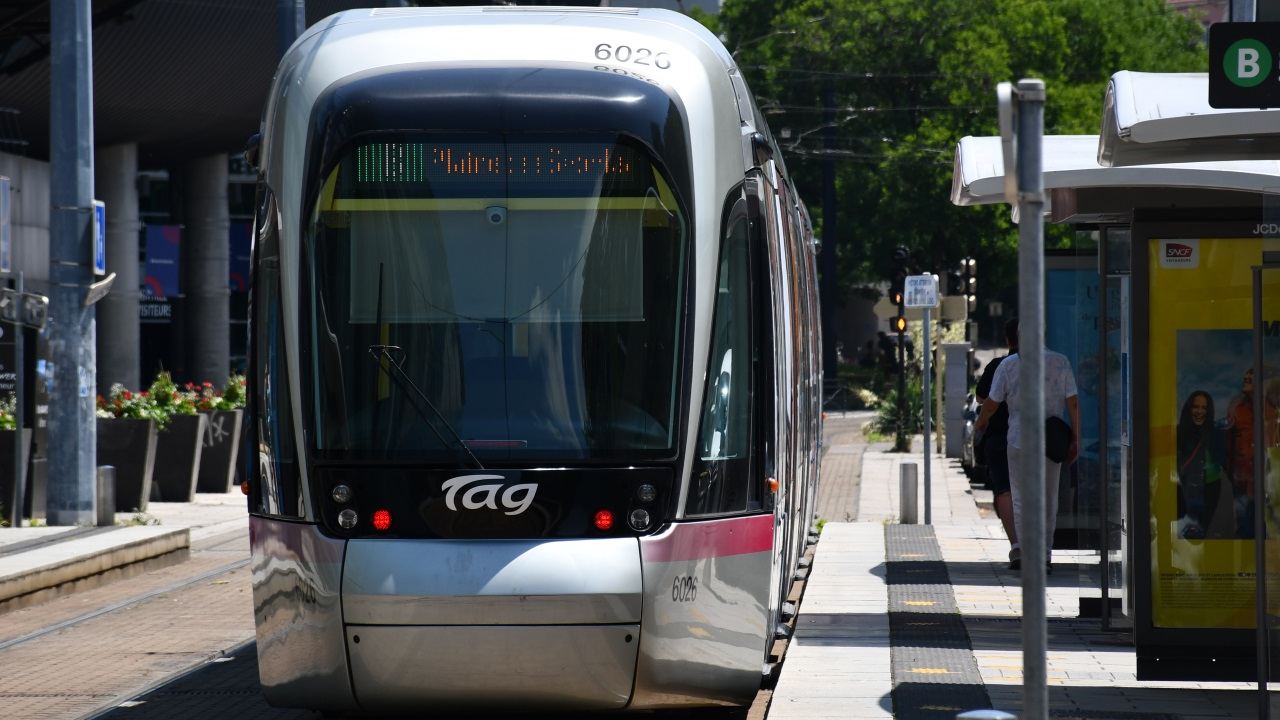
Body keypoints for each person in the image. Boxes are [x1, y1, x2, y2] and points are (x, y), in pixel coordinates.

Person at [976, 321, 1080, 574]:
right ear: (1043, 333)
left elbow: (991, 402)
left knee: (1021, 499)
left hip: (1019, 440)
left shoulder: (1008, 365)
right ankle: (1044, 555)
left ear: (1019, 335)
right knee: (1048, 499)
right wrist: (1076, 438)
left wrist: (982, 422)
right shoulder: (1060, 362)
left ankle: (1025, 550)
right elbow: (1073, 404)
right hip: (1051, 440)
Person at [976, 318, 1019, 568]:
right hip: (1034, 440)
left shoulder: (998, 365)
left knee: (1005, 490)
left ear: (1007, 339)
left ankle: (1016, 545)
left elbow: (983, 398)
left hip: (999, 438)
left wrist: (983, 421)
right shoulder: (1051, 363)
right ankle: (1036, 544)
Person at [1175, 390, 1223, 540]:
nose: (1200, 411)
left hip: (1210, 490)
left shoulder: (1215, 433)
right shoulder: (1178, 433)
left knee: (1203, 533)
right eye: (1196, 407)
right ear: (1189, 408)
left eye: (1204, 408)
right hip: (1184, 492)